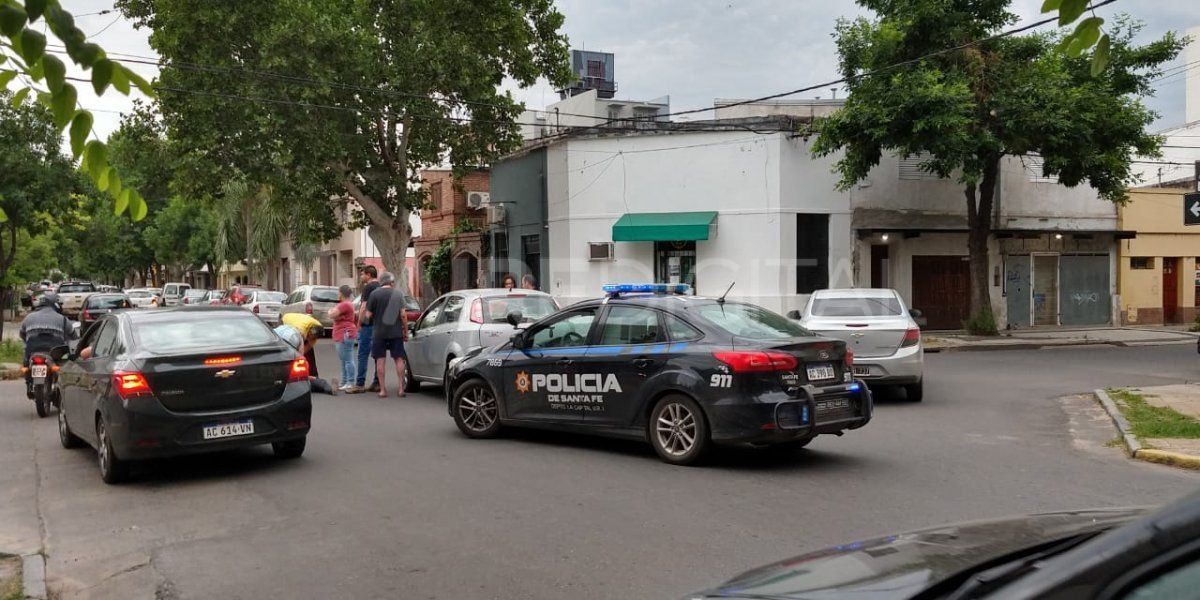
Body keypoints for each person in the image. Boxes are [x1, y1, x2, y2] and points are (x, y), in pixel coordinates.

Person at [19, 293, 76, 397]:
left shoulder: (29, 317)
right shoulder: (62, 319)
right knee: (63, 366)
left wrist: (28, 342)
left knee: (26, 364)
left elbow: (22, 334)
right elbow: (73, 336)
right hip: (54, 352)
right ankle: (59, 388)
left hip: (32, 350)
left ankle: (28, 384)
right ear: (55, 304)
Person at [364, 272, 408, 398]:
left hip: (379, 333)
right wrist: (405, 330)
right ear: (391, 282)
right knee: (399, 359)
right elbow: (403, 315)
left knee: (380, 361)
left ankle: (382, 390)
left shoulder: (374, 294)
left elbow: (368, 315)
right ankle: (400, 388)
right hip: (396, 333)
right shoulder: (398, 294)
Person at [273, 313, 335, 395]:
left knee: (305, 356)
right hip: (285, 320)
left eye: (313, 338)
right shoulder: (300, 331)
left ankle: (313, 375)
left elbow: (303, 353)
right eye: (310, 336)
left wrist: (306, 373)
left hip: (284, 336)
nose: (310, 339)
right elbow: (298, 357)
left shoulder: (317, 331)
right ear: (309, 332)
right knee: (291, 360)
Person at [348, 265, 381, 394]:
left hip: (368, 325)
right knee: (378, 355)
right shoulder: (380, 287)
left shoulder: (368, 288)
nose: (361, 277)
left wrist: (359, 323)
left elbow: (363, 307)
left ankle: (360, 383)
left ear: (368, 275)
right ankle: (377, 382)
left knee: (362, 354)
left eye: (362, 274)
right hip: (379, 325)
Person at [329, 285, 358, 392]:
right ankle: (345, 382)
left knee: (348, 359)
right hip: (344, 333)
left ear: (341, 293)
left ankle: (350, 382)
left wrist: (332, 312)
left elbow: (332, 314)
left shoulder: (344, 305)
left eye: (338, 292)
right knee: (344, 359)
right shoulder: (347, 304)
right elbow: (335, 314)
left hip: (344, 334)